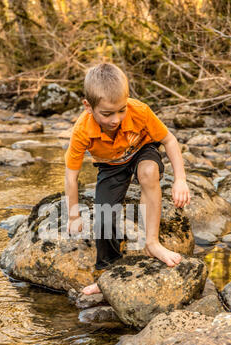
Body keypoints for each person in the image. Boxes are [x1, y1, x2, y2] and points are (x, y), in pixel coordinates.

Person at [65, 63, 190, 295]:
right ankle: (107, 273)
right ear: (88, 107)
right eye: (107, 113)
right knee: (103, 217)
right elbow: (71, 177)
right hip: (110, 166)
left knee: (149, 173)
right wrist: (73, 215)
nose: (116, 119)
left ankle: (152, 243)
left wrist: (180, 179)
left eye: (121, 110)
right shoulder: (82, 130)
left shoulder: (139, 111)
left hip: (141, 150)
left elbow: (169, 140)